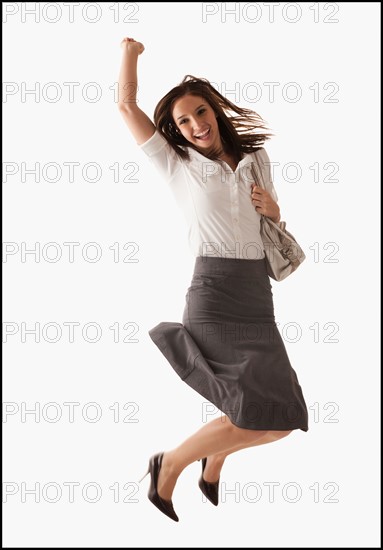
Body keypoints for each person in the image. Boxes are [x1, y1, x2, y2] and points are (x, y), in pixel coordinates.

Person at [117, 37, 309, 522]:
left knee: (280, 421)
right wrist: (130, 53)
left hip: (256, 297)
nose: (196, 125)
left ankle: (214, 456)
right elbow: (124, 103)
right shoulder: (176, 163)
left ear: (215, 110)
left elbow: (265, 229)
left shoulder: (257, 159)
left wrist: (277, 211)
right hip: (213, 296)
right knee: (256, 414)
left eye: (200, 112)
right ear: (175, 130)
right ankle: (170, 463)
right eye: (184, 121)